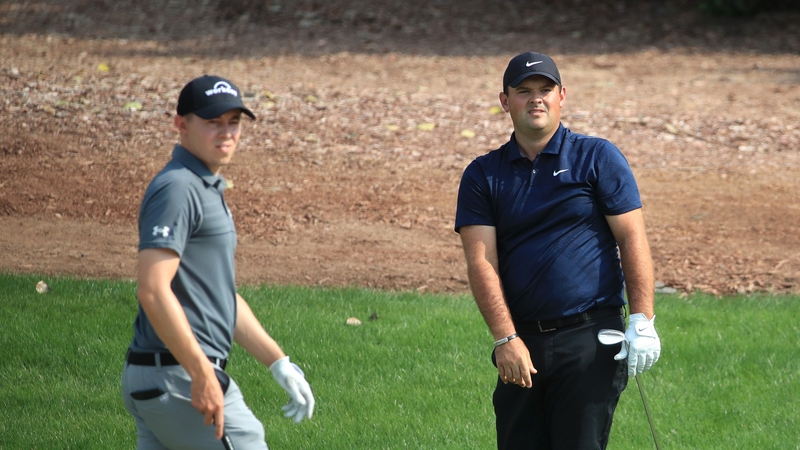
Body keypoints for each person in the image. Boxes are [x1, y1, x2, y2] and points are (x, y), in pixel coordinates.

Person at [455, 52, 661, 450]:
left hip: (590, 339)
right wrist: (505, 339)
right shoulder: (483, 174)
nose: (536, 99)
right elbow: (481, 261)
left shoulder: (597, 157)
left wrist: (641, 319)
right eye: (524, 91)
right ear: (505, 101)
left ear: (561, 96)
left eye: (545, 90)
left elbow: (632, 238)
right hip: (521, 343)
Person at [122, 75, 315, 450]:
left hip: (161, 376)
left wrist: (277, 362)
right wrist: (201, 374)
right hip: (178, 377)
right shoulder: (178, 189)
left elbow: (220, 296)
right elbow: (153, 289)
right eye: (213, 122)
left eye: (234, 122)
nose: (226, 133)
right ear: (181, 125)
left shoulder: (205, 186)